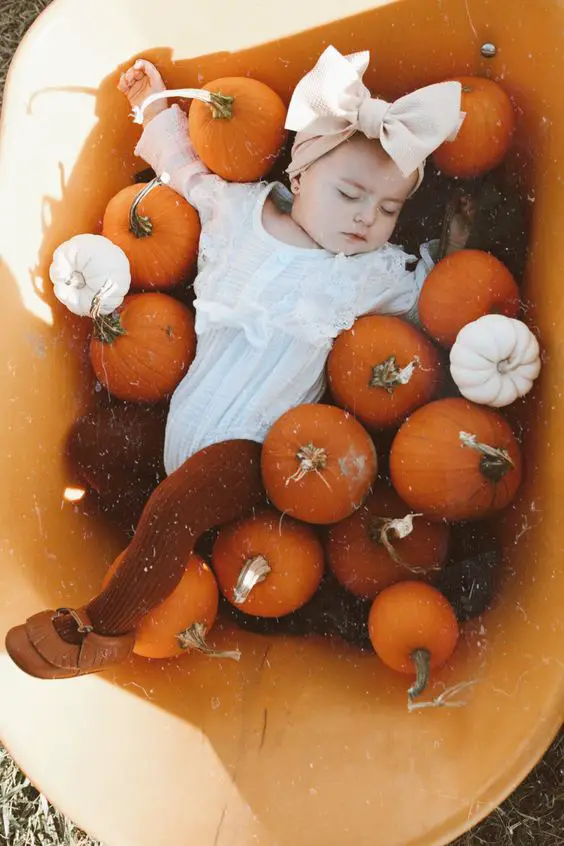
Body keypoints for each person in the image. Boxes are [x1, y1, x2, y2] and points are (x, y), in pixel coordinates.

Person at [6, 46, 471, 679]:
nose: (368, 218)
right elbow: (185, 171)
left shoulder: (367, 276)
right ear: (300, 176)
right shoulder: (240, 213)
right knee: (97, 445)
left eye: (388, 209)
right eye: (351, 194)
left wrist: (464, 250)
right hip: (184, 415)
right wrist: (154, 106)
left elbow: (439, 302)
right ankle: (166, 559)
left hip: (264, 454)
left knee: (178, 507)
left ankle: (104, 626)